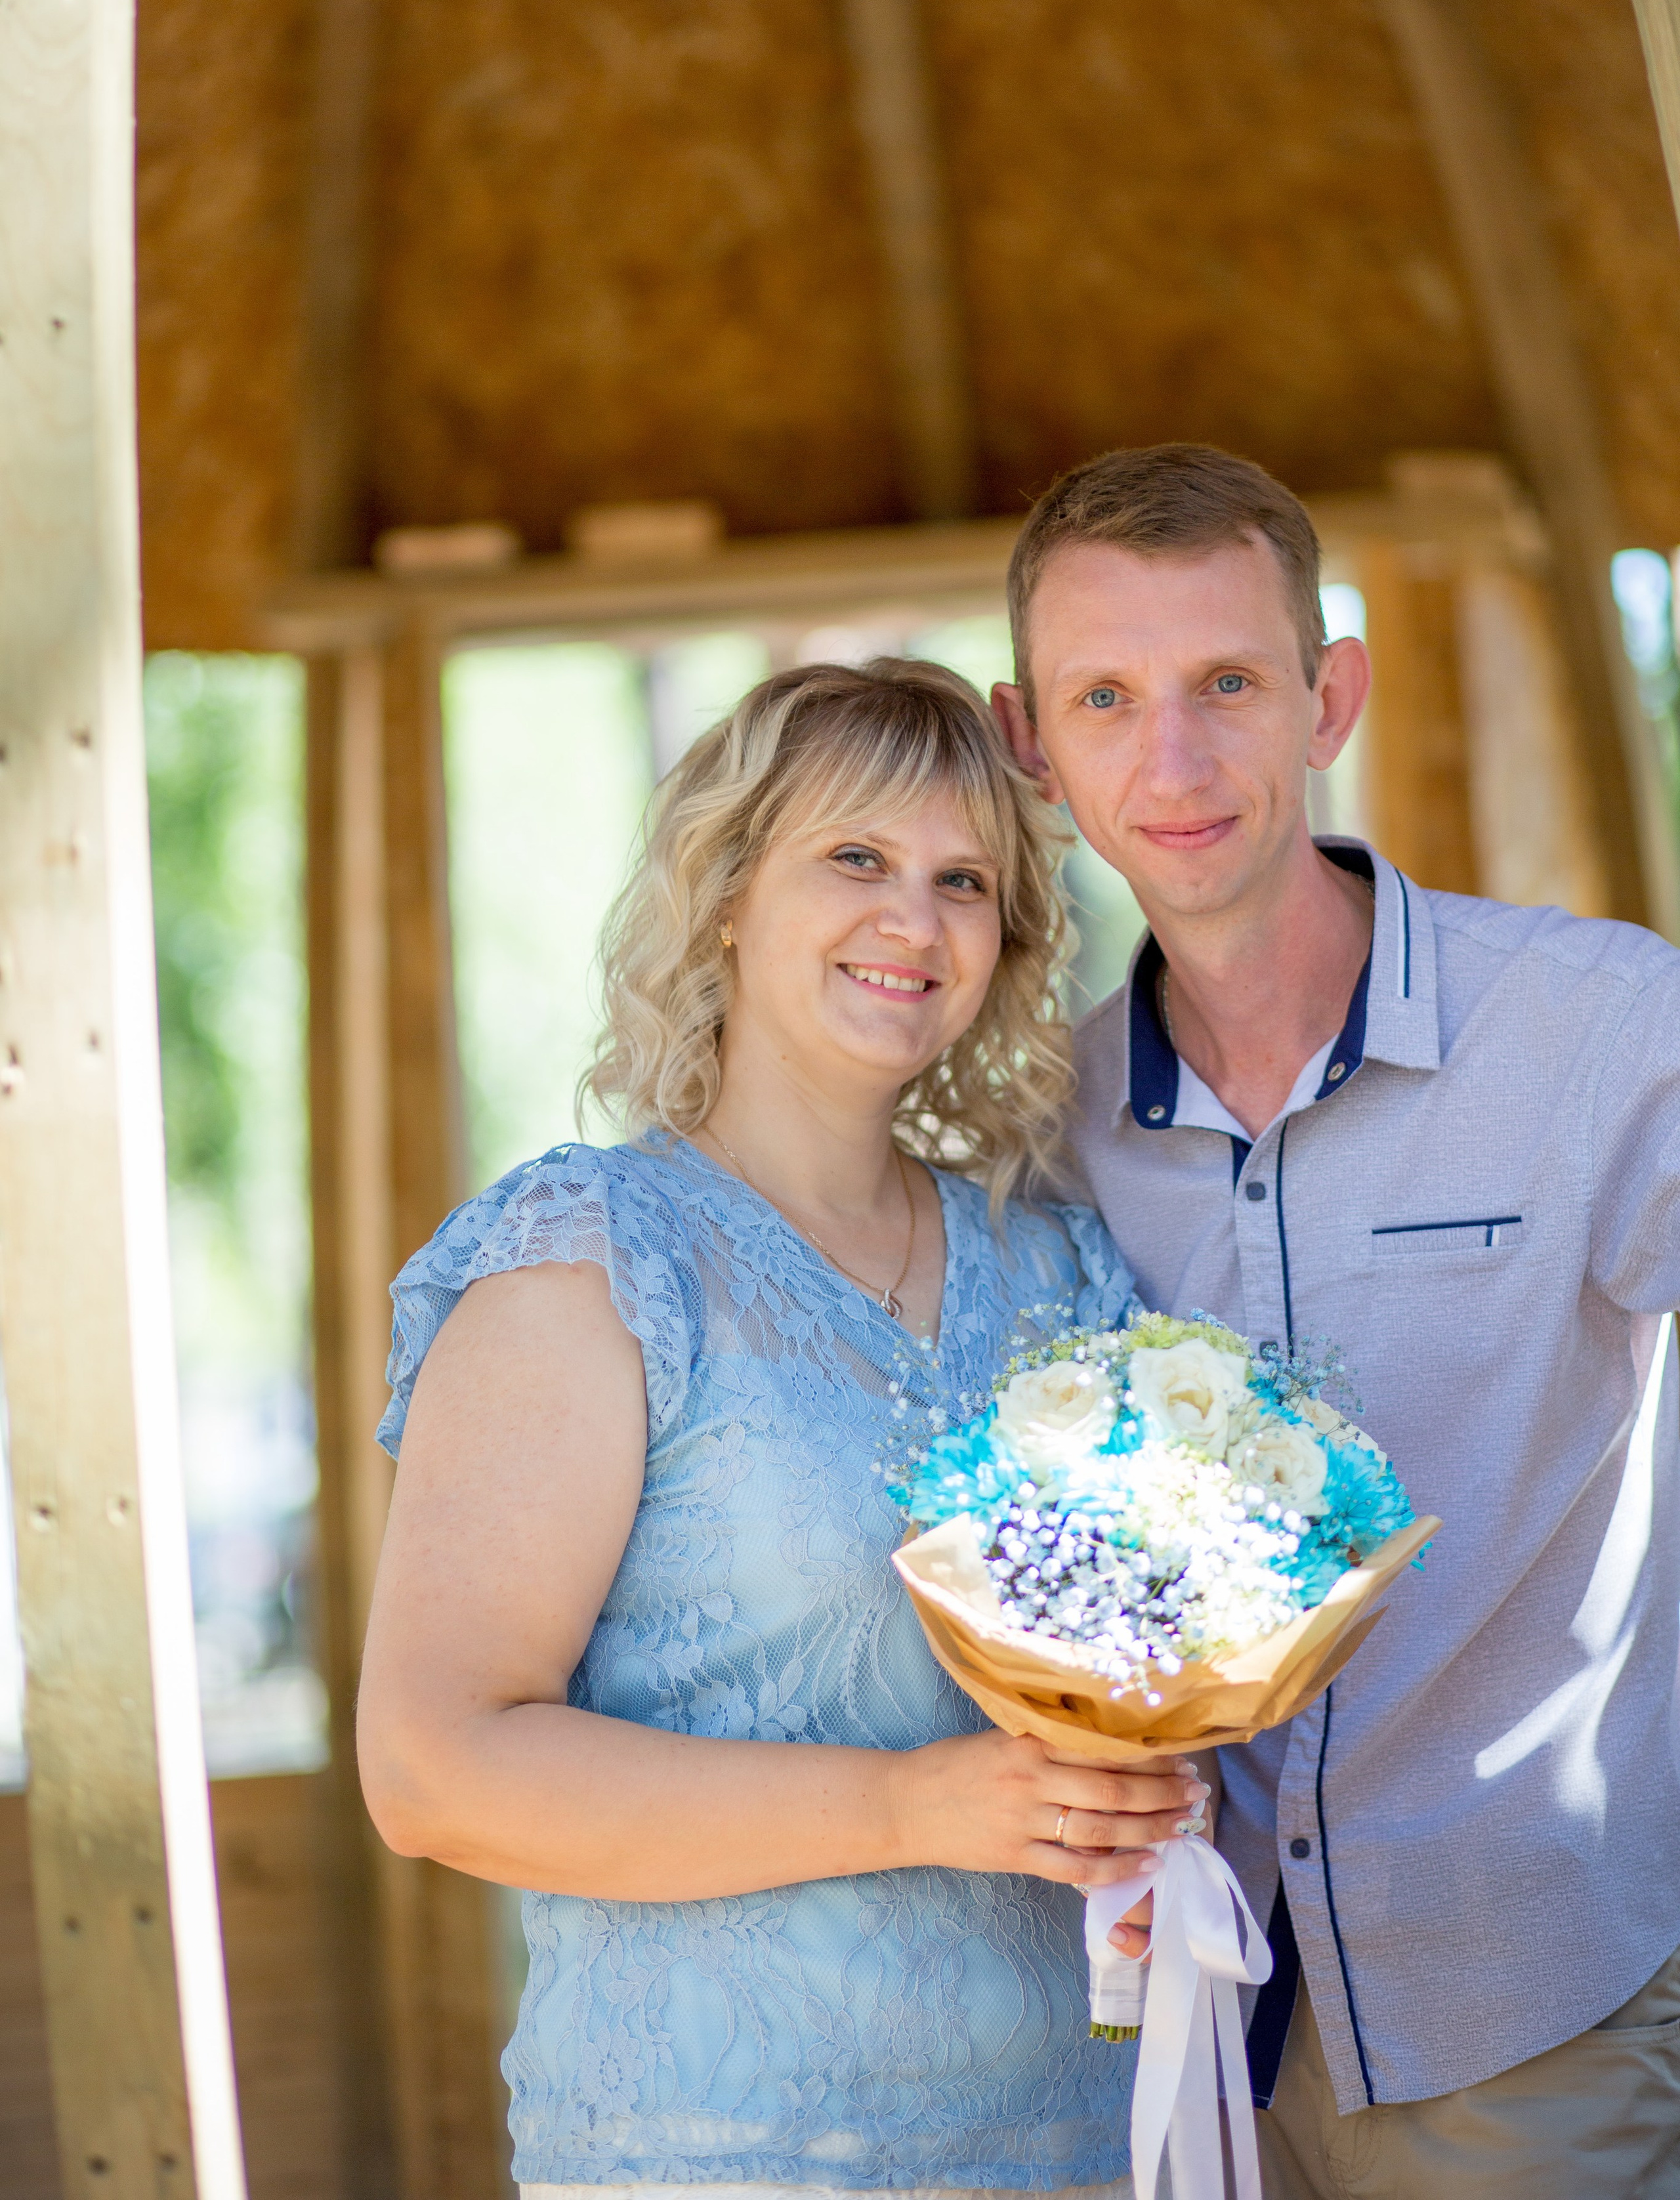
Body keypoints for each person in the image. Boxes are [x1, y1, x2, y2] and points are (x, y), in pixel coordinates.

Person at [356, 658, 1206, 2200]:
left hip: (1080, 2136)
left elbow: (1122, 1687)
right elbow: (432, 1772)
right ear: (729, 895)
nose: (914, 921)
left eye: (964, 881)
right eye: (855, 858)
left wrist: (1145, 1806)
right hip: (719, 2153)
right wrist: (911, 1808)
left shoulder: (1061, 1271)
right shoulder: (589, 1261)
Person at [991, 440, 1680, 2200]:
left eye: (1228, 682)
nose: (1172, 760)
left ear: (1331, 699)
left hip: (1527, 2008)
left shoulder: (1601, 1033)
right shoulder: (1038, 1135)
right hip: (1192, 2033)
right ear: (1031, 744)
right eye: (1105, 697)